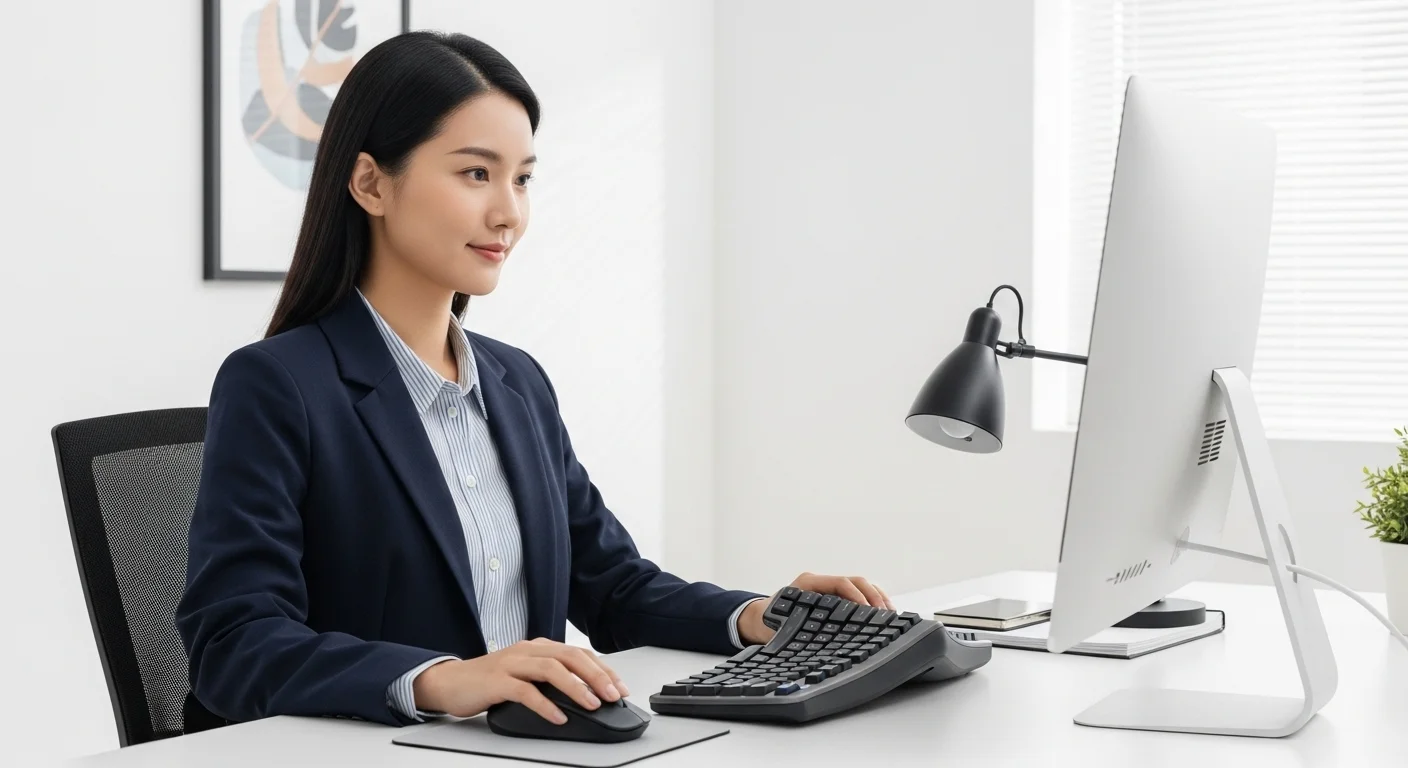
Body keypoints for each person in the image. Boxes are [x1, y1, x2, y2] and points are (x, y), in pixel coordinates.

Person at [176, 31, 893, 729]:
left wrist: (753, 616)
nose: (508, 213)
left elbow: (614, 587)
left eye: (522, 178)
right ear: (371, 183)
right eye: (475, 173)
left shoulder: (516, 382)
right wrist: (442, 680)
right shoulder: (278, 385)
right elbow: (232, 643)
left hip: (531, 748)